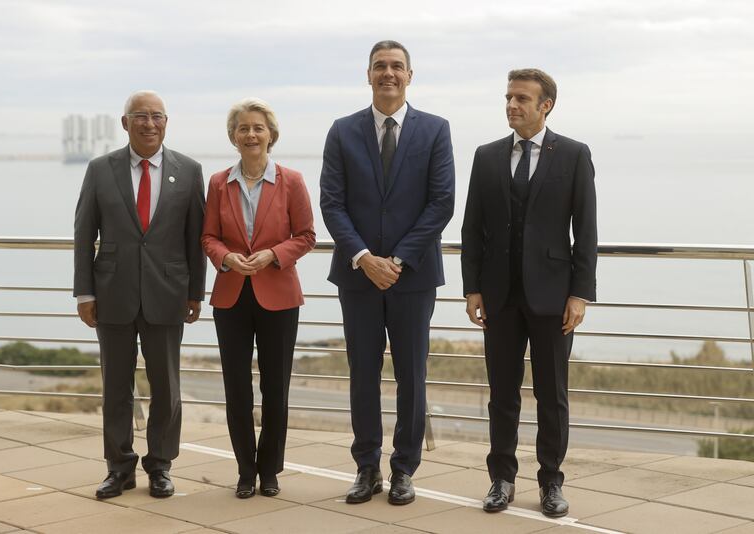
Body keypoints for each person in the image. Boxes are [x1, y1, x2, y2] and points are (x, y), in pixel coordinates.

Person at [320, 40, 455, 506]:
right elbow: (332, 204)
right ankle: (365, 468)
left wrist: (395, 260)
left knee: (412, 376)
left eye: (397, 66)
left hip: (412, 276)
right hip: (357, 276)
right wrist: (364, 258)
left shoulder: (436, 130)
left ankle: (403, 470)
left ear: (410, 75)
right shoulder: (341, 131)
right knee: (362, 373)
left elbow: (441, 204)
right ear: (369, 74)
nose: (389, 74)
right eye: (380, 66)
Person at [461, 68, 597, 517]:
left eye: (521, 98)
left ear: (546, 105)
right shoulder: (486, 156)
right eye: (508, 97)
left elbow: (587, 232)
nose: (511, 105)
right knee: (502, 393)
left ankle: (551, 482)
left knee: (552, 394)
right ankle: (500, 479)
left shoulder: (574, 155)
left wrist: (580, 294)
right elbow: (472, 228)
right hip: (499, 296)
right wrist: (472, 287)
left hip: (553, 297)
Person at [74, 90, 206, 499]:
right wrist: (84, 293)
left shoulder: (189, 170)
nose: (150, 123)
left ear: (166, 122)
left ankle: (161, 466)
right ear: (125, 122)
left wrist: (195, 292)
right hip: (111, 294)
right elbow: (84, 232)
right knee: (116, 385)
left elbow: (195, 236)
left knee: (167, 386)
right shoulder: (100, 169)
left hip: (169, 292)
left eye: (157, 116)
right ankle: (119, 468)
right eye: (141, 116)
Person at [202, 98, 315, 499]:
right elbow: (208, 237)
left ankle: (270, 470)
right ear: (234, 137)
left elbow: (306, 236)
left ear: (271, 135)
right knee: (237, 388)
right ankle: (245, 470)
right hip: (231, 296)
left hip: (279, 296)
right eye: (244, 128)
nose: (251, 134)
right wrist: (226, 257)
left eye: (258, 128)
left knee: (275, 389)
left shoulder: (293, 181)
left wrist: (273, 255)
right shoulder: (218, 183)